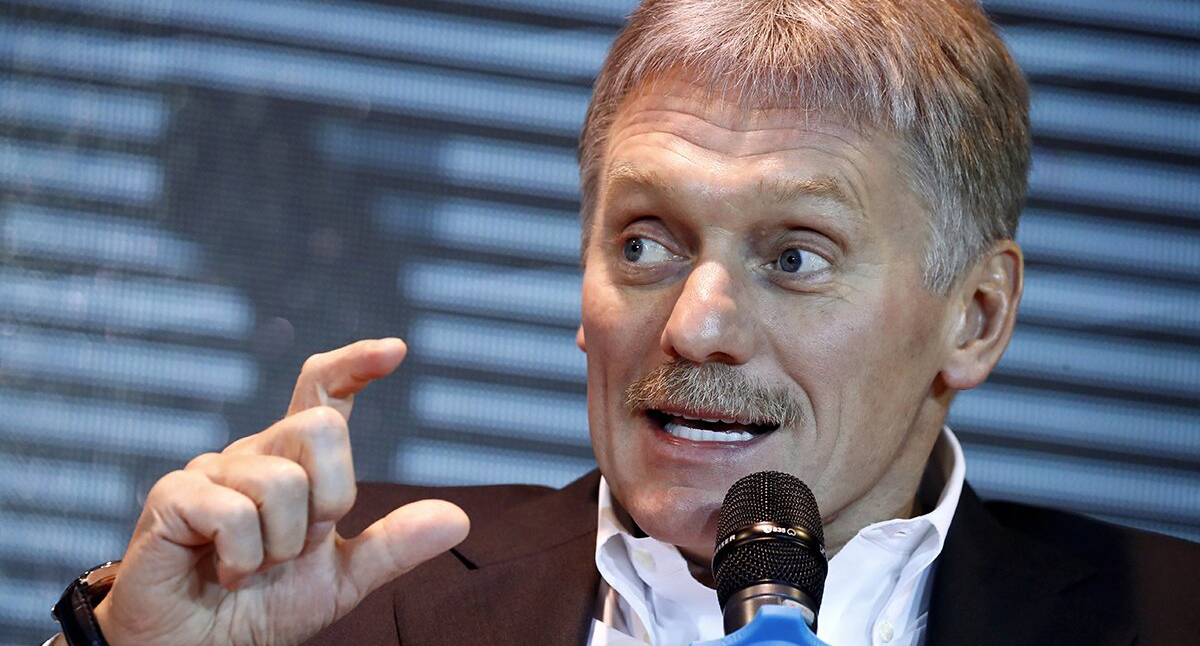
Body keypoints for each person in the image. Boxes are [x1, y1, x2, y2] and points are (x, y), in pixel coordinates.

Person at [46, 0, 1199, 645]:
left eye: (795, 256)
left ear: (977, 317)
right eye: (646, 243)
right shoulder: (335, 594)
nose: (695, 326)